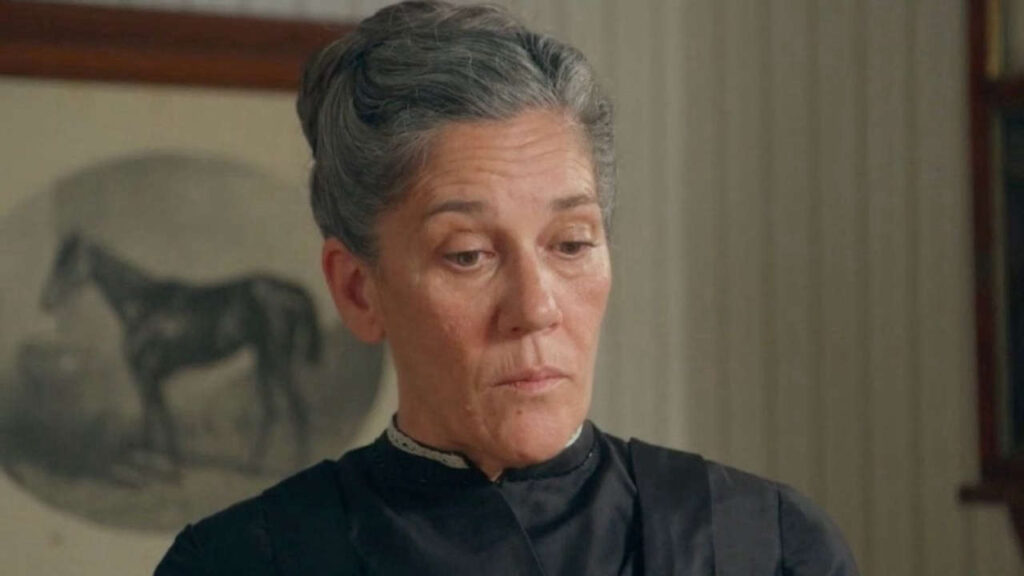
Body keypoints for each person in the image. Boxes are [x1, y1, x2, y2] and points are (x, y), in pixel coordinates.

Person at [155, 2, 859, 574]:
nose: (535, 308)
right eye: (468, 255)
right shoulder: (239, 564)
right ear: (358, 291)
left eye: (571, 243)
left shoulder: (767, 546)